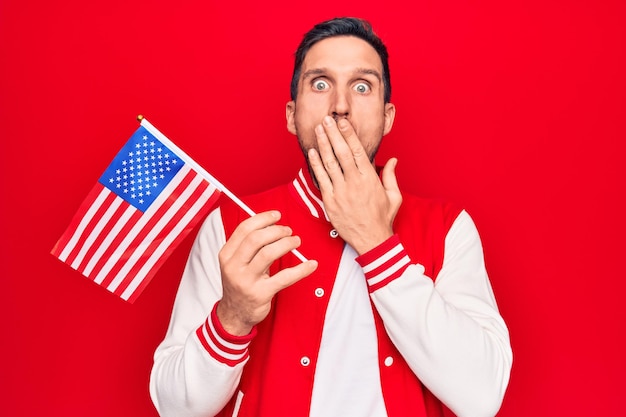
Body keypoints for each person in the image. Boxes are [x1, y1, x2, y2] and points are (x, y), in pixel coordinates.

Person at [150, 17, 512, 417]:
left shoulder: (447, 228)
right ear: (291, 115)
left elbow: (482, 398)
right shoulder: (234, 225)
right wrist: (232, 317)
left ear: (388, 116)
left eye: (362, 86)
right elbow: (176, 409)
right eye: (320, 84)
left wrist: (377, 244)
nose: (340, 106)